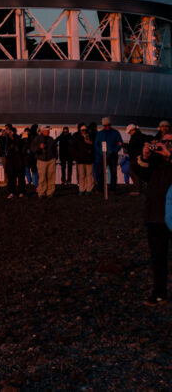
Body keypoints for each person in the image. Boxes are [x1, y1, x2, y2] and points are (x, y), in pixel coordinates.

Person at [131, 133, 172, 306]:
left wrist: (170, 157)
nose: (166, 144)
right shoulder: (155, 162)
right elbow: (139, 171)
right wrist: (144, 156)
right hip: (156, 216)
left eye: (170, 142)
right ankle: (159, 293)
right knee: (158, 257)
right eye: (163, 142)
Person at [95, 117, 124, 193]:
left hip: (113, 156)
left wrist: (114, 151)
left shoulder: (115, 132)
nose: (107, 127)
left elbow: (120, 143)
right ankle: (100, 188)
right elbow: (96, 144)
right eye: (105, 125)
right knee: (100, 172)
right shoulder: (100, 133)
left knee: (113, 172)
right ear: (103, 126)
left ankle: (113, 188)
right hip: (103, 156)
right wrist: (101, 152)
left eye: (108, 125)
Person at [32, 126, 58, 198]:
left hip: (51, 160)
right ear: (43, 131)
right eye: (47, 130)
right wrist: (39, 148)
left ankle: (50, 192)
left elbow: (55, 149)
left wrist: (55, 157)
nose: (49, 132)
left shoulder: (51, 139)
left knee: (51, 177)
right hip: (41, 160)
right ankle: (41, 192)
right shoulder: (37, 139)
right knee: (42, 177)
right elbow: (33, 149)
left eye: (49, 130)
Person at [124, 123, 148, 196]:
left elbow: (132, 146)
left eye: (129, 132)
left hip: (135, 157)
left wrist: (123, 145)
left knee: (133, 172)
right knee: (135, 172)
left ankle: (137, 189)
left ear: (133, 130)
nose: (129, 133)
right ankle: (139, 188)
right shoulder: (139, 136)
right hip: (137, 157)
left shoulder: (136, 137)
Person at [71, 123, 94, 195]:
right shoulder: (76, 136)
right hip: (80, 159)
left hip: (89, 159)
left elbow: (94, 146)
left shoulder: (90, 136)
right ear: (79, 130)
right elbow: (72, 147)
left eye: (85, 130)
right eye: (82, 130)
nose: (84, 131)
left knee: (89, 174)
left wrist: (90, 144)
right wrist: (76, 156)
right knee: (81, 175)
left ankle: (89, 189)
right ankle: (81, 189)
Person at [4, 126, 25, 199]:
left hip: (18, 161)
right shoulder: (6, 139)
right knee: (11, 178)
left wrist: (13, 139)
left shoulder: (18, 138)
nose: (9, 133)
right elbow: (3, 146)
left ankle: (21, 192)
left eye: (10, 132)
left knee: (20, 178)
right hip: (10, 161)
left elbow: (20, 145)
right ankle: (12, 192)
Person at [22, 127, 38, 192]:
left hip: (31, 157)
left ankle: (34, 183)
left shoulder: (32, 138)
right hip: (26, 157)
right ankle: (30, 182)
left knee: (33, 171)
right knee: (27, 171)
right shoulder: (23, 139)